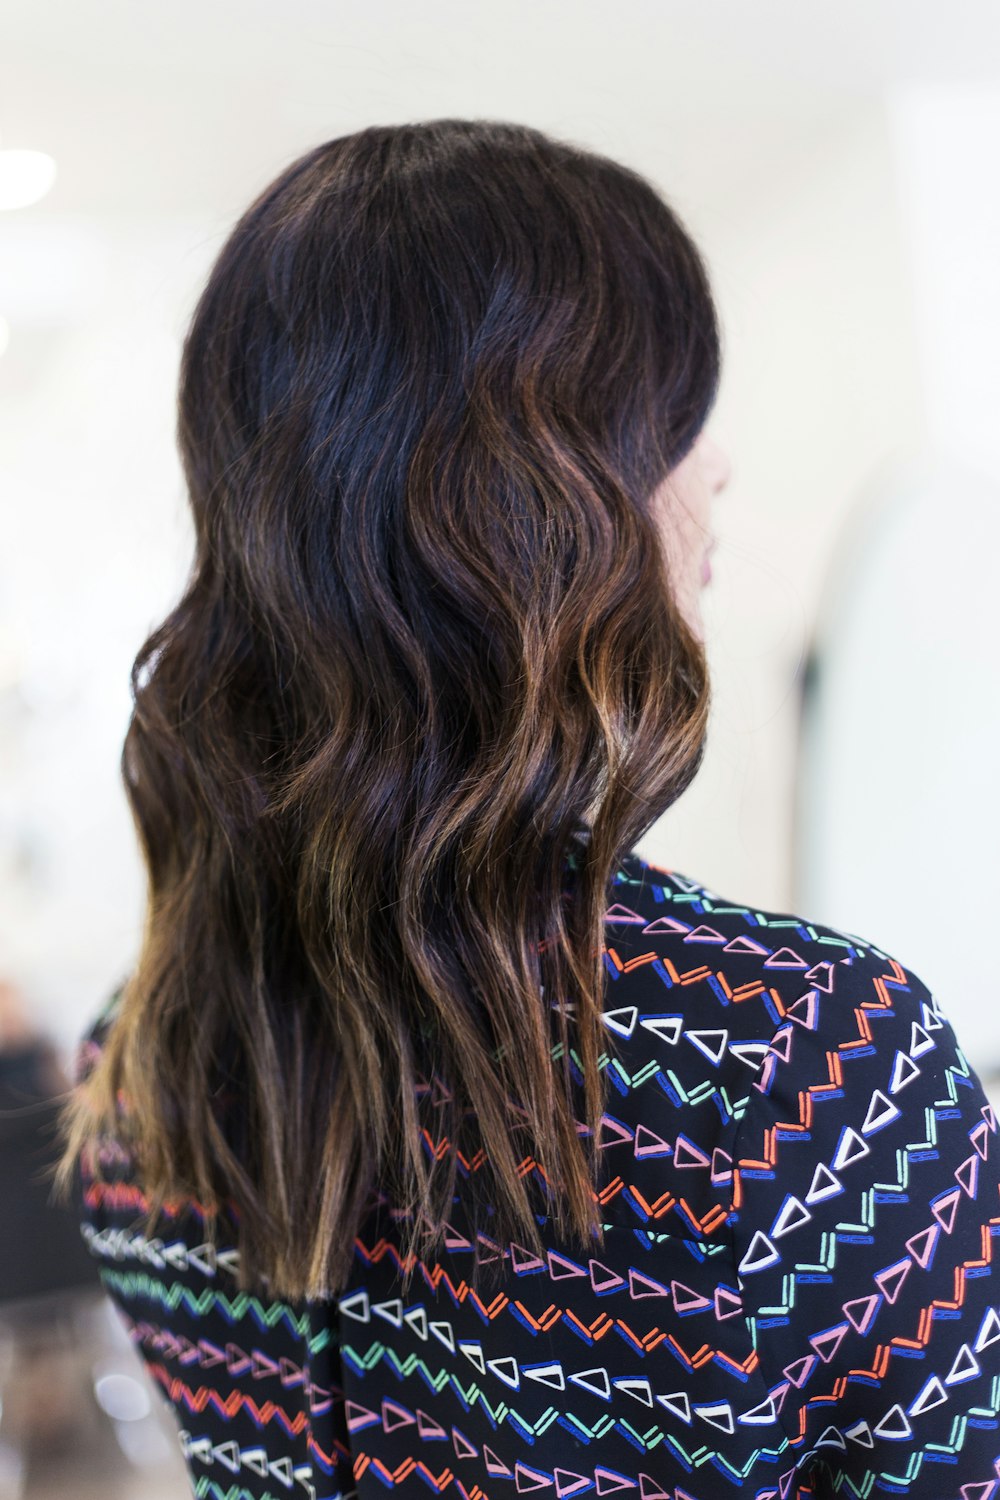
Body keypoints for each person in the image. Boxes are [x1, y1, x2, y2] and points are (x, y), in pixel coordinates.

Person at [53, 119, 999, 1499]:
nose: (715, 467)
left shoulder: (140, 1069)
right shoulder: (803, 1064)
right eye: (669, 418)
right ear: (538, 502)